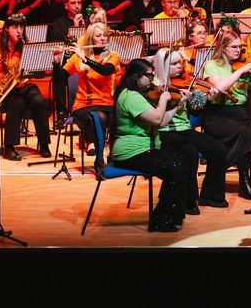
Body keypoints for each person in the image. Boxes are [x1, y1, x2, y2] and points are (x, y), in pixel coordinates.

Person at [111, 58, 190, 232]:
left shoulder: (139, 95)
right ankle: (162, 217)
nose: (152, 80)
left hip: (144, 148)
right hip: (130, 152)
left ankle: (166, 214)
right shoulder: (130, 96)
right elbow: (156, 118)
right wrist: (163, 99)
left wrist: (177, 104)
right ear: (136, 76)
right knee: (177, 166)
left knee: (183, 161)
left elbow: (160, 122)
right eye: (149, 76)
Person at [199, 29, 251, 200]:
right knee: (246, 133)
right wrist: (240, 72)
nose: (238, 50)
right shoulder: (212, 65)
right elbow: (220, 88)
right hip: (218, 117)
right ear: (223, 47)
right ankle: (244, 181)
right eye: (234, 47)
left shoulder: (243, 65)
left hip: (241, 116)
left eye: (240, 47)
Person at [151, 48, 230, 210]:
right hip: (164, 133)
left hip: (184, 130)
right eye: (174, 64)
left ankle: (211, 196)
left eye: (180, 62)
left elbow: (195, 110)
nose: (180, 66)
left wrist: (208, 98)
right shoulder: (154, 87)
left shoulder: (184, 83)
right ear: (162, 66)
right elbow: (157, 118)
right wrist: (175, 100)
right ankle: (187, 200)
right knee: (190, 151)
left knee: (218, 149)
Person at [0, 13, 52, 161]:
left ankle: (44, 144)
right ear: (6, 29)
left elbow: (40, 72)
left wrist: (35, 70)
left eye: (21, 27)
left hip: (22, 85)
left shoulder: (27, 45)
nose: (18, 31)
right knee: (17, 103)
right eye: (14, 27)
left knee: (39, 102)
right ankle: (9, 147)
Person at [62, 22, 121, 170]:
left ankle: (114, 157)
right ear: (90, 39)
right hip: (84, 105)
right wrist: (56, 62)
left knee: (118, 117)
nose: (103, 38)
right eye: (98, 35)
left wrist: (85, 59)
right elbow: (60, 77)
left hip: (106, 103)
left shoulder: (113, 56)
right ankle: (99, 160)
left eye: (105, 35)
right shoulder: (77, 58)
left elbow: (105, 70)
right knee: (99, 117)